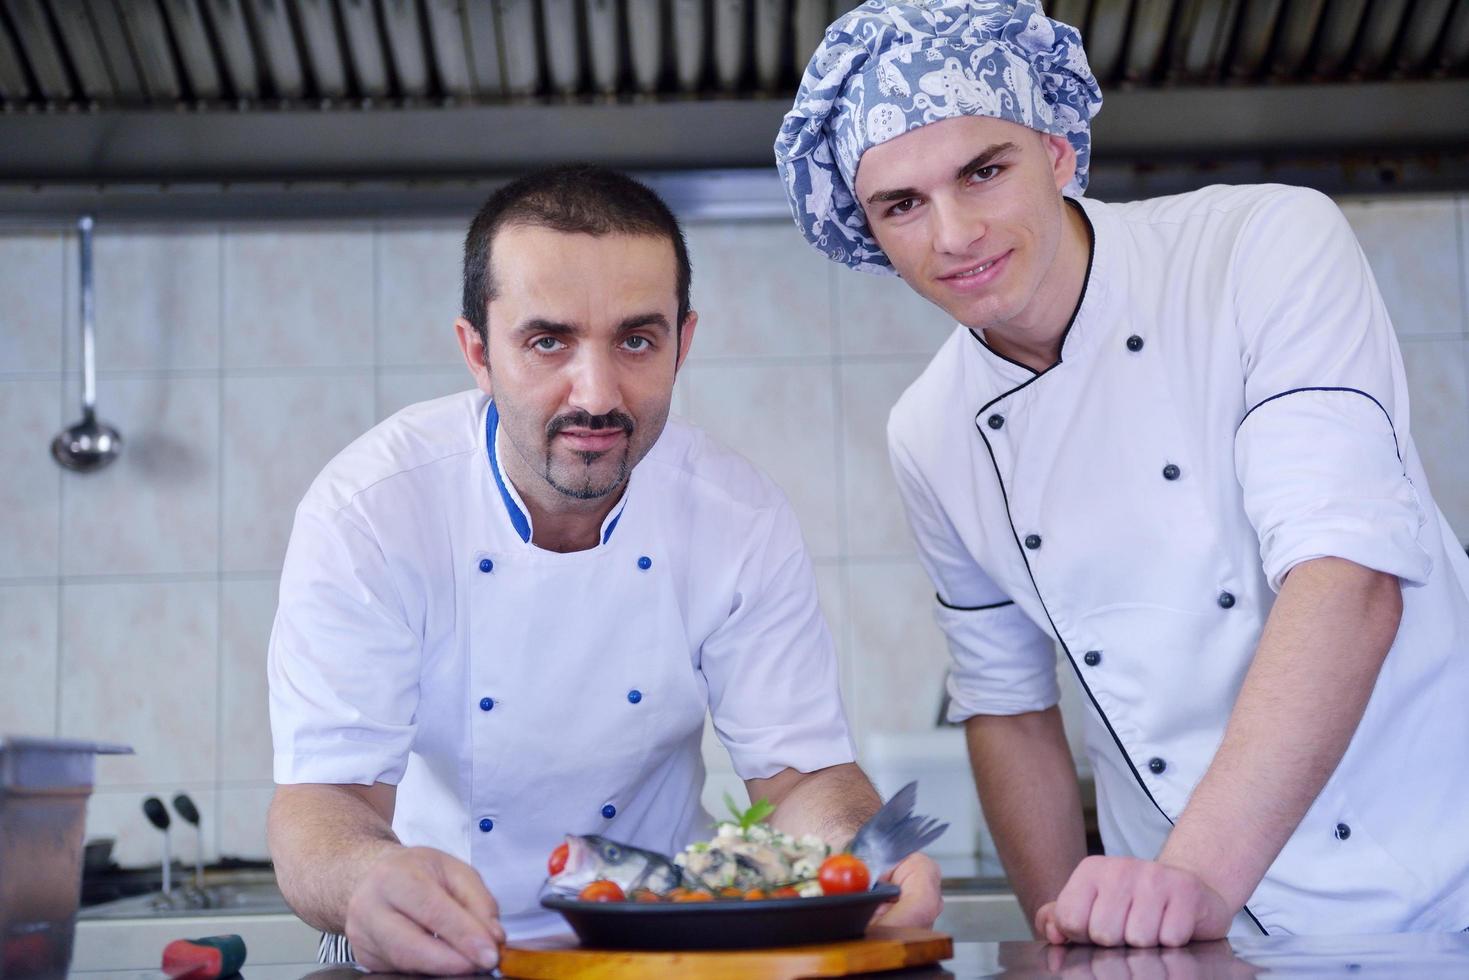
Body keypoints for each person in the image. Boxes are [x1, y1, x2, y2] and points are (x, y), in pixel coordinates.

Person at [775, 0, 1469, 949]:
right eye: (901, 205)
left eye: (984, 171)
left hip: (1441, 870)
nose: (953, 235)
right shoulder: (929, 433)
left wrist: (1189, 880)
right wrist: (1078, 938)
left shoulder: (1260, 245)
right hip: (1196, 939)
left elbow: (1346, 578)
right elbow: (1006, 708)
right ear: (868, 233)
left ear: (1058, 151)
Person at [266, 165, 942, 975]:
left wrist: (858, 858)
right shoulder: (370, 511)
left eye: (635, 340)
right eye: (547, 341)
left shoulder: (735, 518)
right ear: (477, 353)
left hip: (649, 949)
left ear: (682, 344)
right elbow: (323, 801)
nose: (597, 394)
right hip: (420, 950)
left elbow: (799, 781)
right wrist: (367, 880)